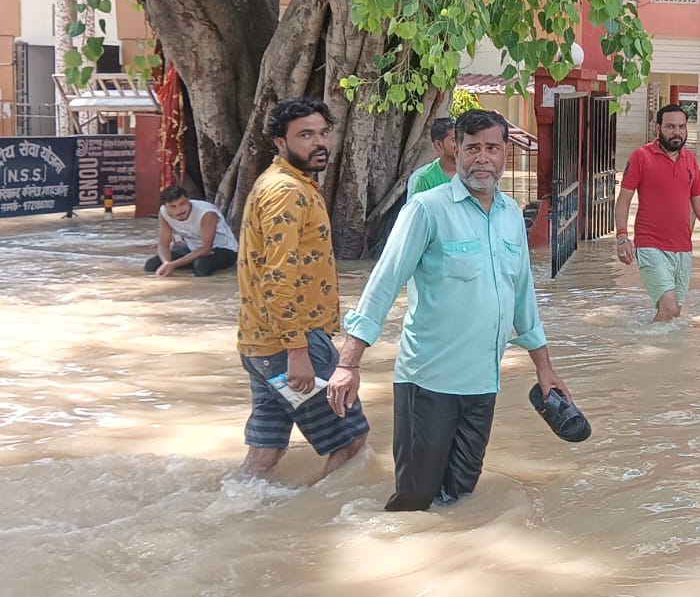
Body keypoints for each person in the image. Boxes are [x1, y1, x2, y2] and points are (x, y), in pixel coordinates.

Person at [331, 109, 570, 511]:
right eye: (472, 148)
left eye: (492, 148)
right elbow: (385, 282)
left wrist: (544, 368)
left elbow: (522, 294)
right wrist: (348, 362)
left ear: (505, 153)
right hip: (429, 382)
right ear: (455, 150)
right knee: (415, 499)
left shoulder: (511, 214)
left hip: (483, 384)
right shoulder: (427, 209)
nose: (482, 158)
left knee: (460, 496)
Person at [234, 97, 369, 481]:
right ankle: (314, 525)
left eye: (323, 133)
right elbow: (278, 278)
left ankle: (238, 517)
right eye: (305, 135)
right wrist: (297, 351)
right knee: (350, 441)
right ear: (280, 143)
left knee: (267, 450)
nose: (319, 142)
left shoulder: (281, 184)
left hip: (261, 347)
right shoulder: (287, 193)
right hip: (289, 347)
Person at [614, 104, 700, 322]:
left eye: (681, 126)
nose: (676, 132)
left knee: (673, 312)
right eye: (670, 126)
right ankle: (648, 350)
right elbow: (623, 200)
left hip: (682, 248)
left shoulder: (690, 160)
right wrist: (622, 236)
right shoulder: (641, 156)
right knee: (669, 308)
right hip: (650, 245)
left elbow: (699, 204)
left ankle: (654, 348)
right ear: (658, 127)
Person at [145, 185, 239, 277]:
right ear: (165, 207)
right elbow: (163, 244)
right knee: (151, 265)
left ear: (188, 200)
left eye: (182, 204)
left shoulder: (206, 213)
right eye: (173, 206)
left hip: (223, 250)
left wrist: (174, 265)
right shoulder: (163, 213)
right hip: (192, 249)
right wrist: (166, 263)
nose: (179, 210)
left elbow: (206, 249)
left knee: (201, 266)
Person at [407, 117, 458, 198]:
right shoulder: (424, 179)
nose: (461, 144)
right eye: (454, 140)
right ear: (439, 145)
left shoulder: (472, 172)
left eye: (462, 138)